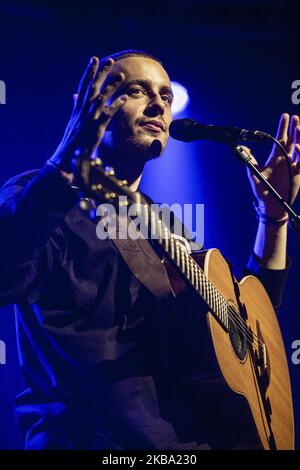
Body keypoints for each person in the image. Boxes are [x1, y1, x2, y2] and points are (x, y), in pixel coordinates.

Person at [0, 50, 299, 450]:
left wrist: (273, 220)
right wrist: (64, 168)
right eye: (137, 91)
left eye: (166, 96)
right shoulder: (41, 196)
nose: (158, 103)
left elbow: (246, 321)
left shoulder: (167, 225)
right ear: (92, 105)